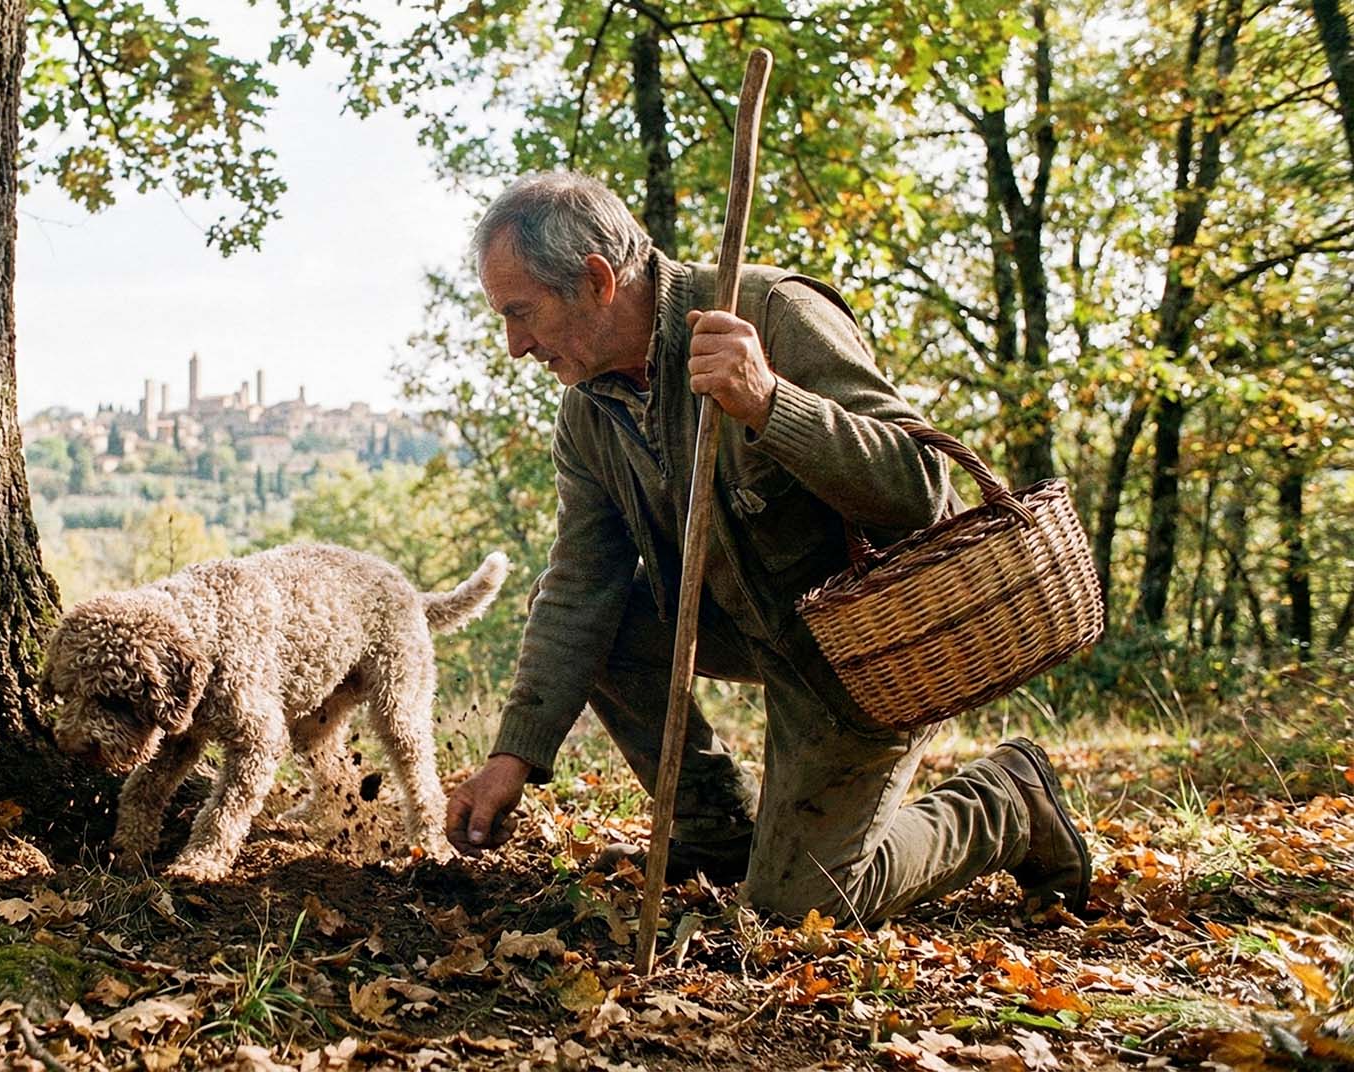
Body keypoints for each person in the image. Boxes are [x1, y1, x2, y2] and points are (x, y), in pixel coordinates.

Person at [443, 172, 1091, 924]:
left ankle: (1006, 800)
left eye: (522, 314)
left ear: (594, 281)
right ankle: (714, 832)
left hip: (865, 653)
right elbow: (580, 584)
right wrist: (512, 756)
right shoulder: (586, 411)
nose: (515, 345)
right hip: (753, 629)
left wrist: (771, 404)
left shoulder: (774, 312)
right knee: (604, 621)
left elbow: (919, 489)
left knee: (801, 905)